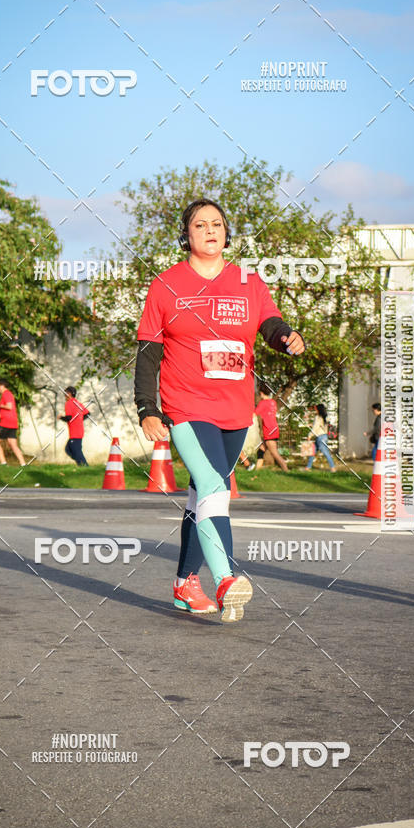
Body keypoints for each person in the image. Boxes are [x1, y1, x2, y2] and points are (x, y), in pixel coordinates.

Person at [134, 198, 305, 622]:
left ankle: (184, 583)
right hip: (186, 403)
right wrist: (146, 408)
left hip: (235, 408)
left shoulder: (248, 280)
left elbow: (269, 323)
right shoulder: (166, 284)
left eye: (217, 224)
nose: (210, 230)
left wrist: (286, 337)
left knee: (200, 495)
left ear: (226, 233)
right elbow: (148, 353)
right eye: (199, 225)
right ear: (186, 235)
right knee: (214, 488)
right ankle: (226, 577)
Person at [254, 385, 288, 472]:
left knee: (274, 452)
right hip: (274, 428)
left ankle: (286, 470)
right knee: (261, 451)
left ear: (261, 393)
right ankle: (257, 470)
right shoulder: (273, 402)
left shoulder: (263, 403)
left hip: (268, 430)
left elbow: (254, 413)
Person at [0, 379, 25, 466]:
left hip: (6, 422)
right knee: (12, 443)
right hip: (13, 422)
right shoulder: (8, 394)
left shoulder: (6, 394)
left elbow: (9, 406)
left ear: (2, 385)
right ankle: (23, 464)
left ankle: (3, 463)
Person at [59, 386, 90, 466]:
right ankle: (81, 464)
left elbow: (68, 418)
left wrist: (61, 417)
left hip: (74, 432)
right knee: (68, 449)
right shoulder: (77, 403)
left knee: (75, 451)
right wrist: (79, 420)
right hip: (79, 431)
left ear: (69, 394)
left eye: (65, 393)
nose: (64, 395)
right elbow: (87, 413)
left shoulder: (68, 403)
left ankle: (85, 466)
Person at [305, 404, 335, 471]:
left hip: (320, 437)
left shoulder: (318, 417)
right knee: (313, 451)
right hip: (323, 436)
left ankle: (333, 467)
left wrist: (309, 436)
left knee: (325, 452)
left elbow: (315, 428)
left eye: (316, 409)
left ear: (318, 410)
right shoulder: (325, 417)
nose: (315, 410)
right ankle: (308, 467)